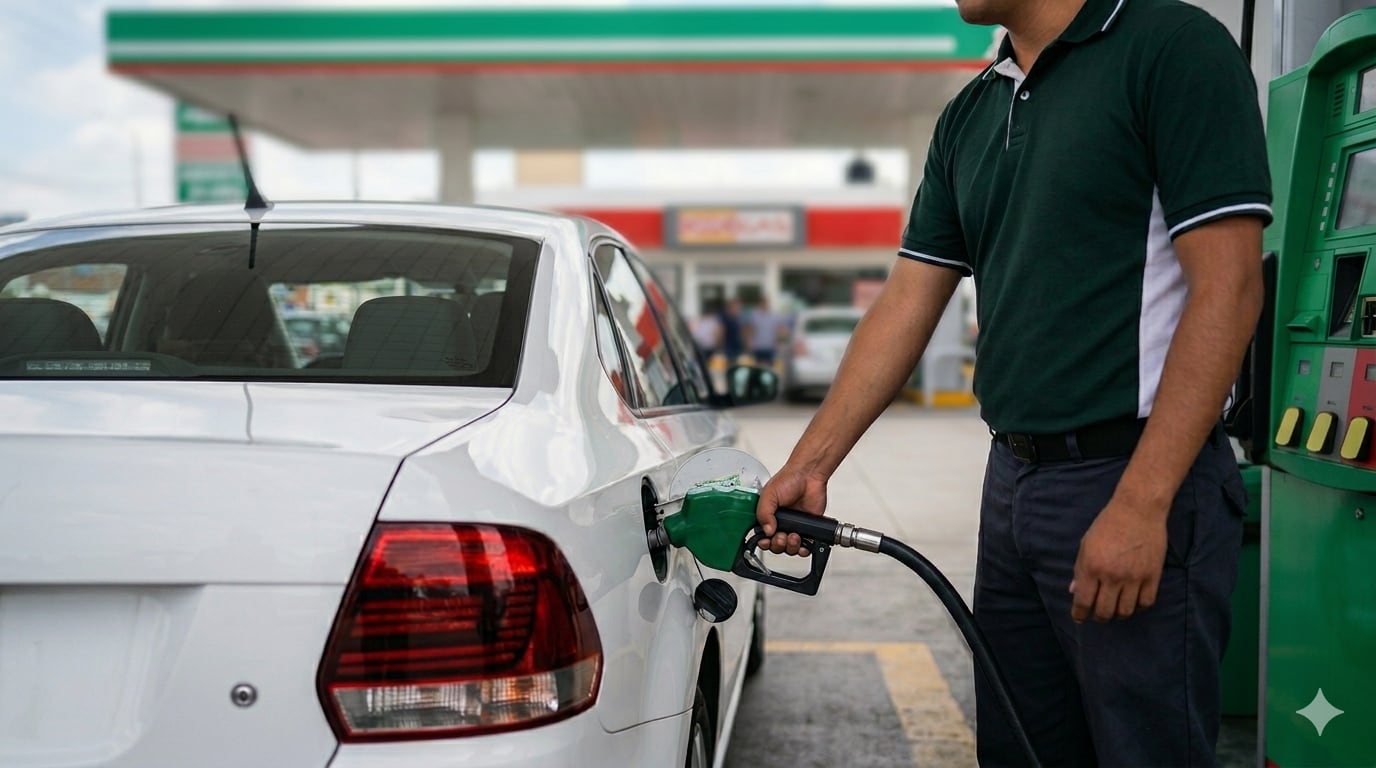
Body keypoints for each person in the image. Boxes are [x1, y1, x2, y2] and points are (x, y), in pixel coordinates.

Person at [754, 0, 1270, 765]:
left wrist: (1143, 501)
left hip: (1132, 473)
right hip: (1013, 484)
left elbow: (1228, 289)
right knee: (1020, 748)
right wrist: (812, 463)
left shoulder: (1171, 48)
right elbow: (907, 301)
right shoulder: (972, 111)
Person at [746, 298, 787, 367]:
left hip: (770, 346)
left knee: (770, 367)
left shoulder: (774, 315)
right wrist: (749, 342)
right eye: (763, 303)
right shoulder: (754, 315)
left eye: (766, 303)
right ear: (760, 304)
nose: (765, 305)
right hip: (757, 346)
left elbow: (780, 330)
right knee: (757, 366)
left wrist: (779, 343)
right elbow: (750, 329)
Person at [718, 298, 747, 365]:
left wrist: (745, 344)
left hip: (739, 345)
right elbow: (721, 332)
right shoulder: (725, 317)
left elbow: (744, 332)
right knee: (730, 363)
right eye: (737, 307)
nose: (738, 309)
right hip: (728, 346)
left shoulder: (740, 317)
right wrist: (719, 345)